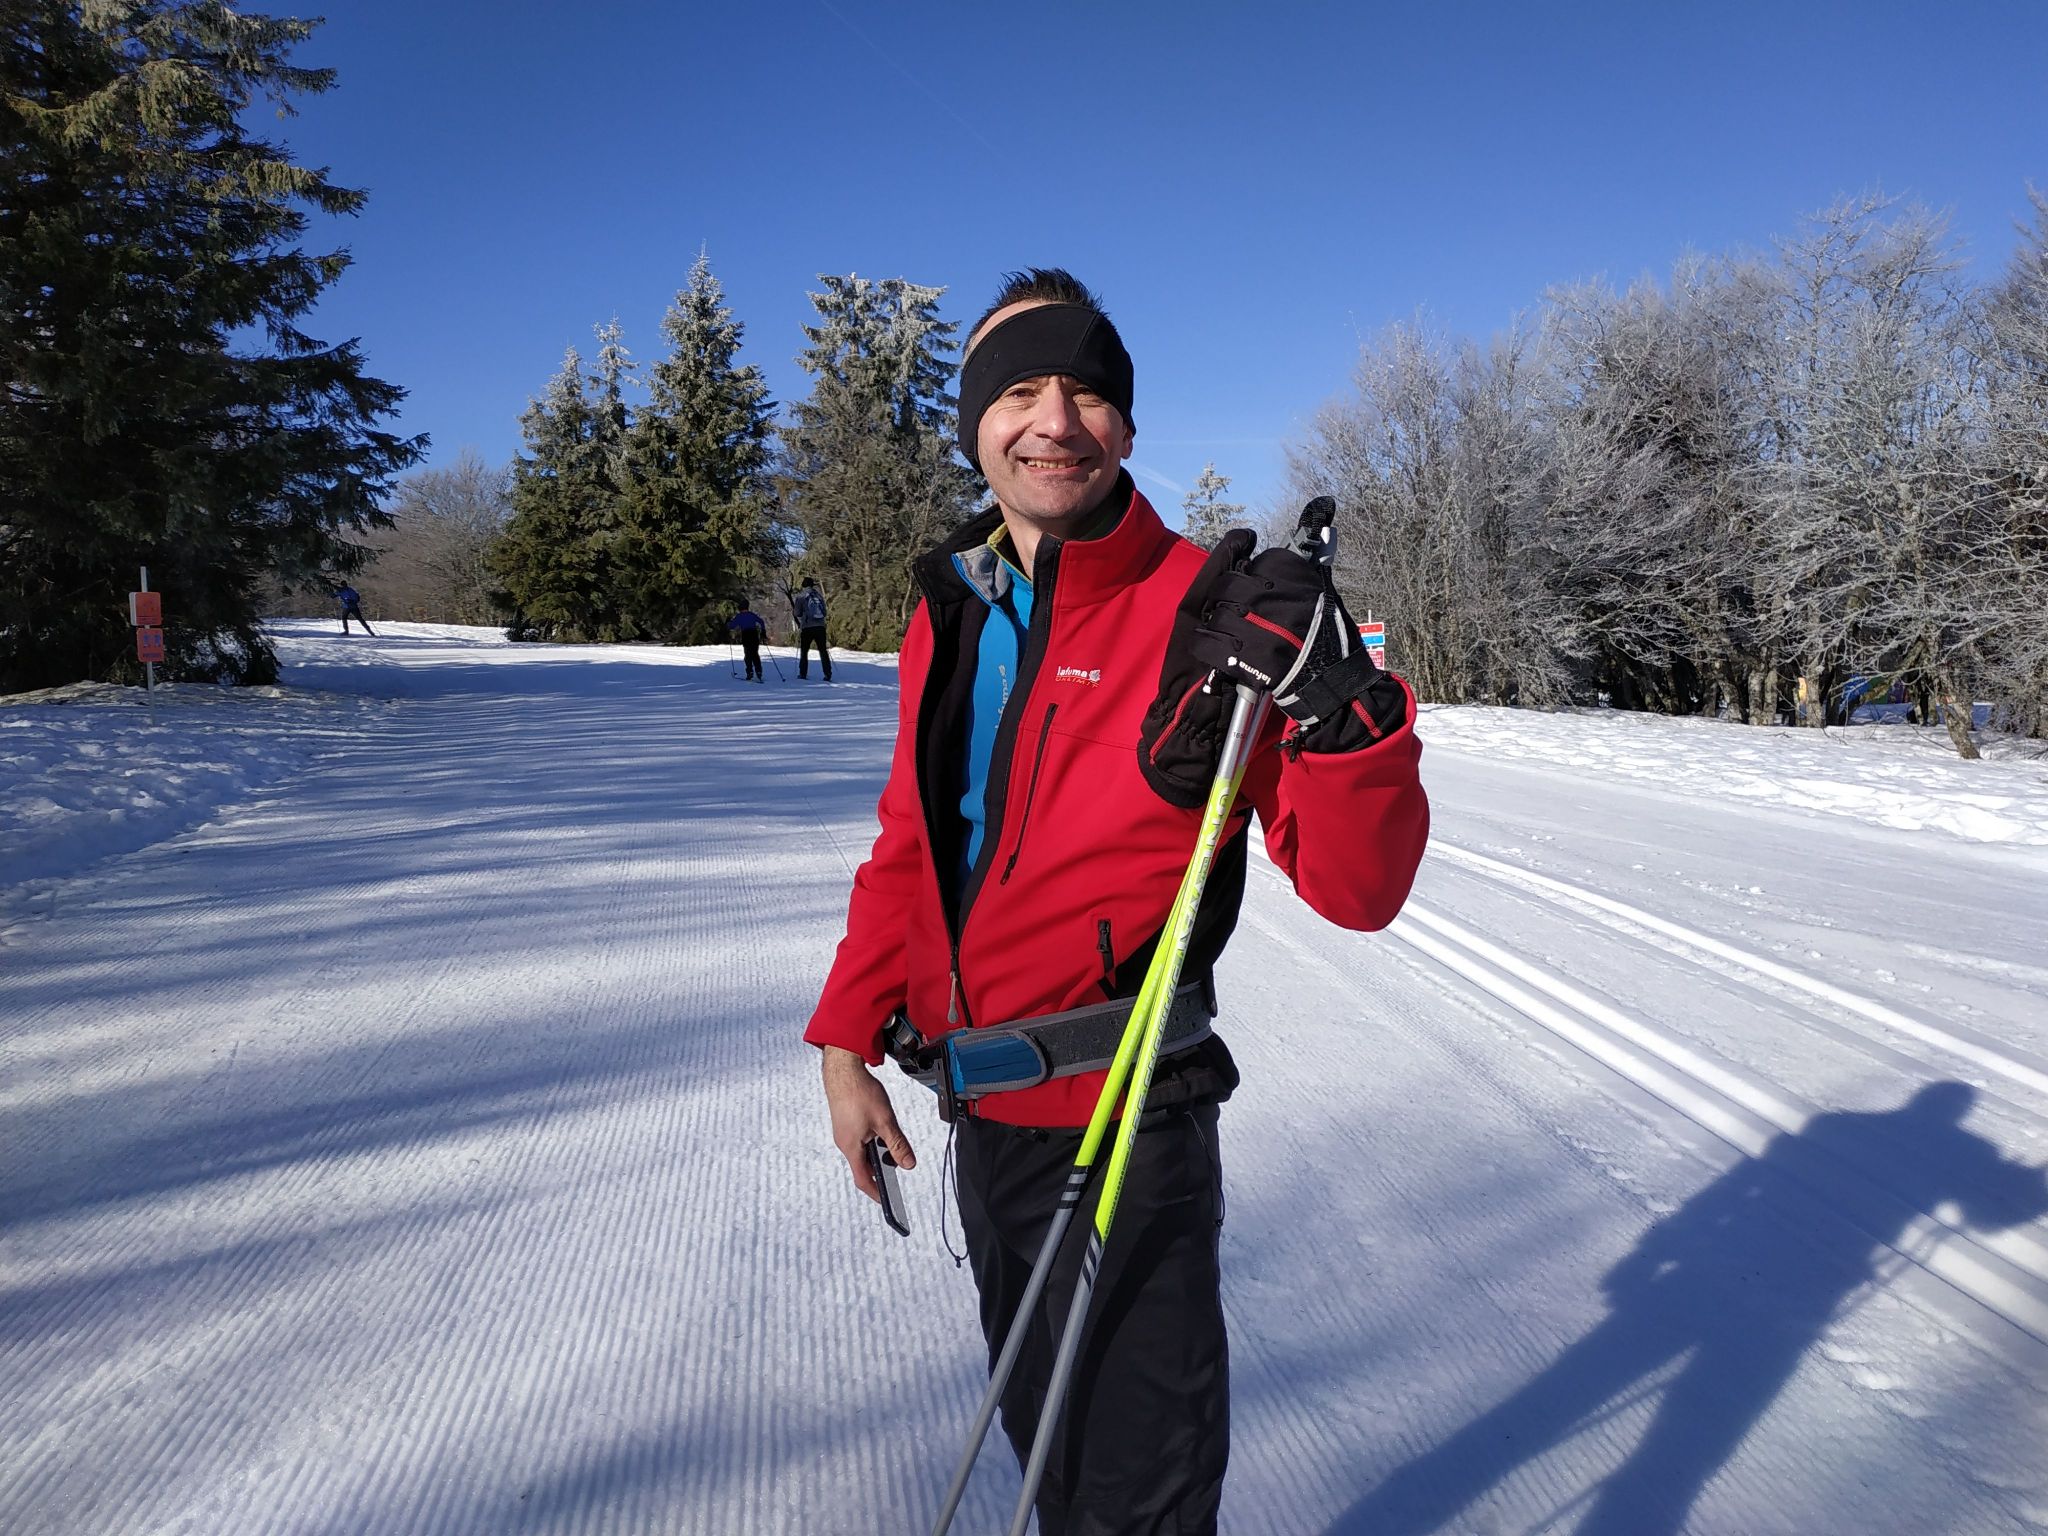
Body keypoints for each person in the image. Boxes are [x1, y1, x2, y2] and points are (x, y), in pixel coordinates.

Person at [804, 268, 1429, 1534]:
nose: (1053, 421)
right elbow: (915, 843)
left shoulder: (1215, 612)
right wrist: (843, 1041)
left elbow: (1359, 893)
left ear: (1126, 427)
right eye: (1019, 391)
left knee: (1133, 1502)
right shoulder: (955, 605)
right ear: (975, 424)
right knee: (1050, 1463)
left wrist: (1343, 712)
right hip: (980, 1117)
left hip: (1124, 1127)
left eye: (1085, 393)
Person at [791, 576, 832, 680]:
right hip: (820, 626)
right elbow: (824, 612)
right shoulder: (819, 595)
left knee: (804, 651)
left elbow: (797, 613)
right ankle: (827, 673)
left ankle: (803, 673)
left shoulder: (801, 596)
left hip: (807, 626)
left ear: (803, 585)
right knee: (823, 650)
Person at [729, 604, 766, 682]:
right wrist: (763, 631)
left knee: (748, 655)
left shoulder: (740, 616)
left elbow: (732, 626)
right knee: (755, 654)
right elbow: (761, 621)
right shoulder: (752, 615)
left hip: (746, 635)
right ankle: (759, 672)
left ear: (740, 609)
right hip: (754, 635)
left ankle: (750, 673)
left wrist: (728, 623)